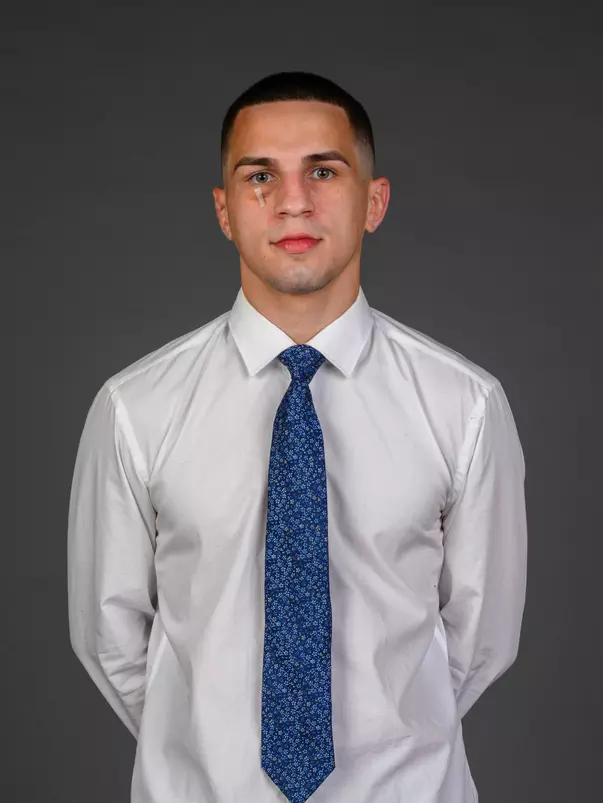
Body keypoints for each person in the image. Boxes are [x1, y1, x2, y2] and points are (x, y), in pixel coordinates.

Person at [67, 71, 528, 803]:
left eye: (323, 170)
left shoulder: (463, 404)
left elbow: (480, 637)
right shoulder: (136, 406)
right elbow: (110, 636)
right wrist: (208, 750)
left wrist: (391, 733)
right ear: (223, 210)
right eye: (259, 175)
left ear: (373, 200)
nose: (292, 201)